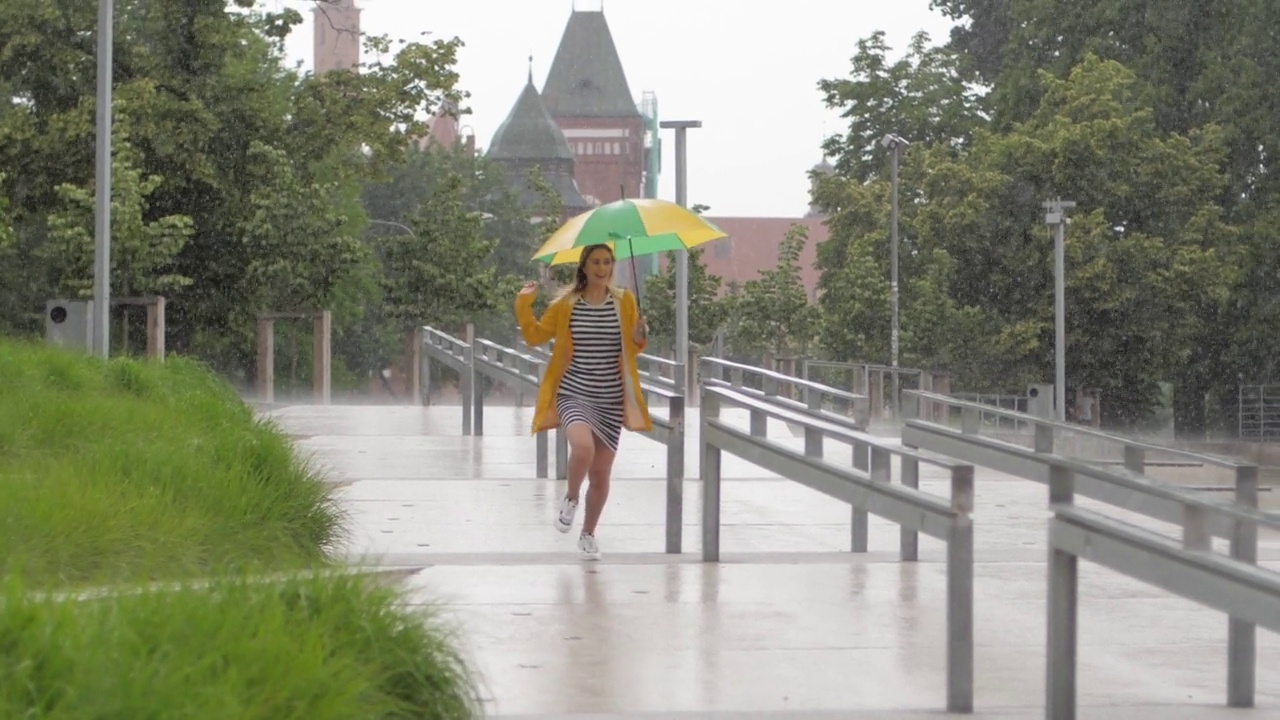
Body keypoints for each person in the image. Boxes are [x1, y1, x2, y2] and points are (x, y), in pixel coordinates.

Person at [515, 243, 651, 560]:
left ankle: (588, 534)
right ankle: (571, 497)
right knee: (583, 449)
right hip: (574, 391)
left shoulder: (625, 301)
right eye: (596, 263)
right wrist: (524, 305)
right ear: (584, 268)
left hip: (611, 397)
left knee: (601, 474)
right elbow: (535, 336)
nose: (602, 268)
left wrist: (640, 335)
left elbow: (634, 348)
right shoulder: (567, 305)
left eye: (607, 262)